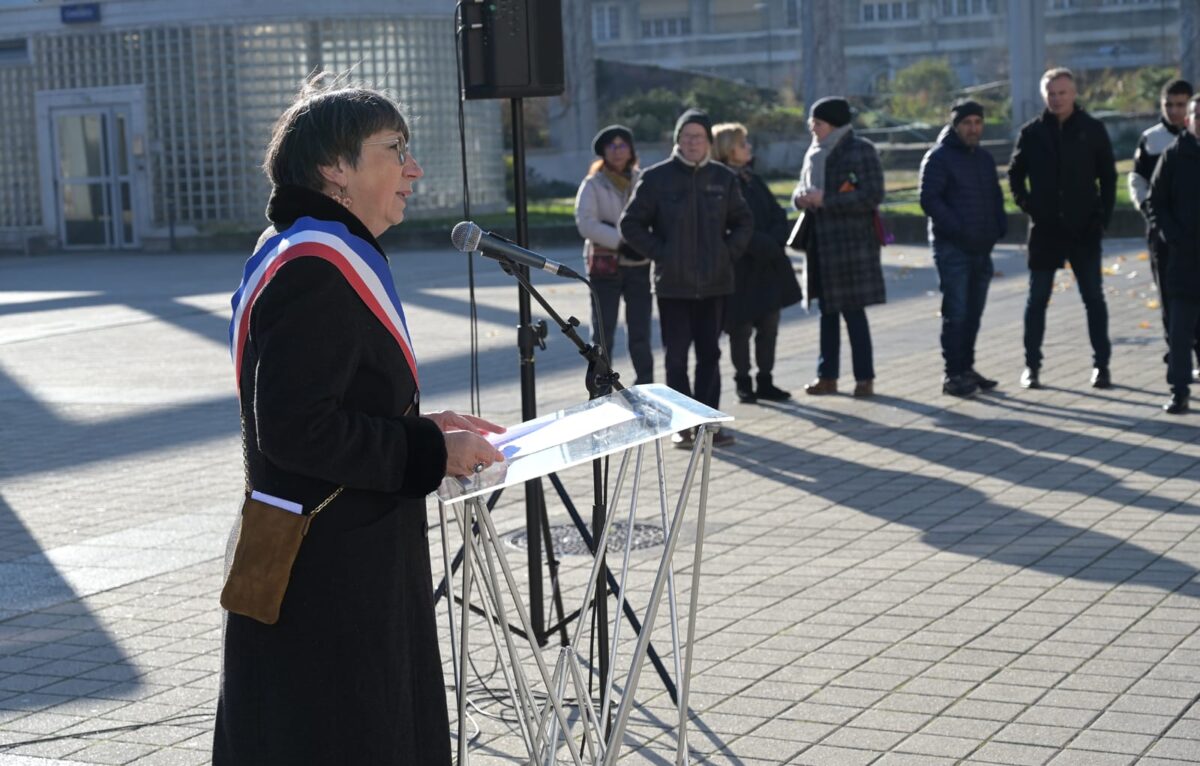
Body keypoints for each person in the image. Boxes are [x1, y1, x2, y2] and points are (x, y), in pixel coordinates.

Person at [214, 75, 504, 765]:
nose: (414, 167)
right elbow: (297, 429)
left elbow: (325, 404)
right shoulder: (315, 267)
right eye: (395, 149)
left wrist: (422, 424)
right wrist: (428, 450)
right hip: (330, 573)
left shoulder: (309, 249)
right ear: (334, 169)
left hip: (326, 547)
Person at [620, 108, 754, 448]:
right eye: (687, 136)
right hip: (673, 285)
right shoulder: (656, 178)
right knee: (677, 357)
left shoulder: (723, 178)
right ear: (677, 139)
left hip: (715, 284)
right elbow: (630, 223)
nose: (693, 142)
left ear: (708, 141)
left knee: (710, 355)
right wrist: (663, 252)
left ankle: (709, 425)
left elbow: (744, 221)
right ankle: (682, 425)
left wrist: (728, 252)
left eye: (699, 137)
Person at [1009, 67, 1117, 390]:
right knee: (1036, 299)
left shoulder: (1092, 129)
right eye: (1051, 94)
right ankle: (1032, 366)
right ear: (1044, 96)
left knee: (1093, 299)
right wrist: (1030, 206)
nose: (1057, 99)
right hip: (1045, 230)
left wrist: (1102, 219)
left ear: (1073, 94)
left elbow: (1109, 178)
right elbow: (1015, 175)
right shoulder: (1031, 133)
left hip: (1084, 229)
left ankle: (1102, 366)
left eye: (1062, 93)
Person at [792, 97, 886, 398]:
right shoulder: (813, 152)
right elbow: (801, 186)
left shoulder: (861, 150)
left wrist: (827, 200)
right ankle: (827, 376)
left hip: (850, 245)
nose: (812, 128)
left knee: (853, 313)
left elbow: (872, 194)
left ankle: (864, 378)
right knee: (826, 313)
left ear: (833, 124)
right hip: (820, 242)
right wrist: (801, 198)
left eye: (817, 123)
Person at [919, 100, 1007, 397]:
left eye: (977, 123)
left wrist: (998, 226)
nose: (973, 128)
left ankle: (967, 368)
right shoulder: (939, 158)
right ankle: (953, 374)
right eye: (967, 123)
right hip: (952, 248)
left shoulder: (983, 158)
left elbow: (994, 196)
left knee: (973, 312)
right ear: (956, 125)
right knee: (955, 312)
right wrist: (958, 229)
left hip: (981, 247)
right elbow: (929, 200)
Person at [711, 121, 802, 403]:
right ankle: (743, 380)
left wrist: (777, 239)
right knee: (741, 328)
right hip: (741, 267)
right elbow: (730, 225)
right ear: (727, 150)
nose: (748, 147)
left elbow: (777, 213)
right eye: (742, 144)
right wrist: (762, 243)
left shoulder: (754, 178)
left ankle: (766, 379)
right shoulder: (721, 181)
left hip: (768, 265)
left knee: (769, 325)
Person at [1131, 78, 1200, 383]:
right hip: (1168, 236)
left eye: (1180, 104)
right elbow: (1140, 184)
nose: (1174, 110)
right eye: (1168, 105)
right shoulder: (1154, 141)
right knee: (1173, 303)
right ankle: (1178, 364)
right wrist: (1154, 219)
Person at [574, 124, 653, 385]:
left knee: (640, 330)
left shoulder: (643, 180)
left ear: (631, 150)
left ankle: (645, 382)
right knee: (603, 332)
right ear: (603, 152)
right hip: (604, 267)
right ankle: (600, 383)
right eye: (612, 146)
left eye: (622, 145)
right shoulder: (593, 184)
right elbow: (586, 223)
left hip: (638, 264)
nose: (617, 151)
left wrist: (643, 242)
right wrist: (621, 242)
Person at [1146, 93, 1200, 414]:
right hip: (1184, 259)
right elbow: (1155, 202)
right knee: (1179, 331)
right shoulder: (1174, 155)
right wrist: (1172, 235)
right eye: (1197, 114)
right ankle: (1178, 390)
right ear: (1188, 119)